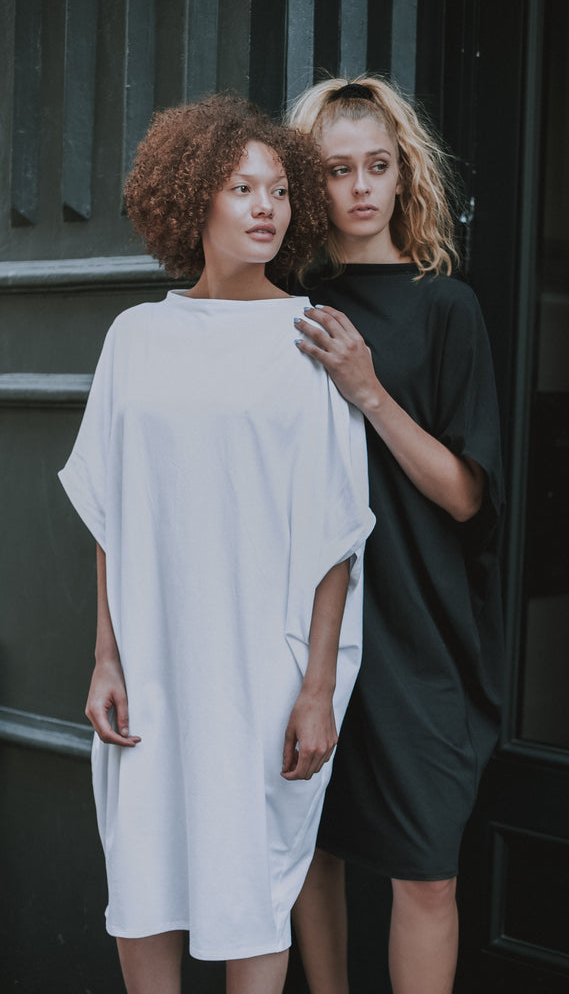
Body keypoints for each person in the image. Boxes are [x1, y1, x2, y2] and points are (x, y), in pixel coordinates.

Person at [58, 94, 374, 994]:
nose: (266, 207)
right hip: (154, 664)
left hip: (261, 672)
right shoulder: (136, 337)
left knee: (254, 885)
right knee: (145, 877)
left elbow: (334, 537)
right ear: (192, 199)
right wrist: (105, 657)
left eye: (278, 189)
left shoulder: (307, 339)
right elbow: (111, 514)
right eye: (242, 188)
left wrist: (317, 689)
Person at [286, 77, 504, 993]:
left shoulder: (445, 307)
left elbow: (463, 495)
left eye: (378, 165)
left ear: (403, 172)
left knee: (426, 871)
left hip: (423, 638)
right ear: (311, 183)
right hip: (306, 634)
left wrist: (367, 390)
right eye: (338, 170)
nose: (361, 188)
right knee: (311, 853)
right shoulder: (285, 308)